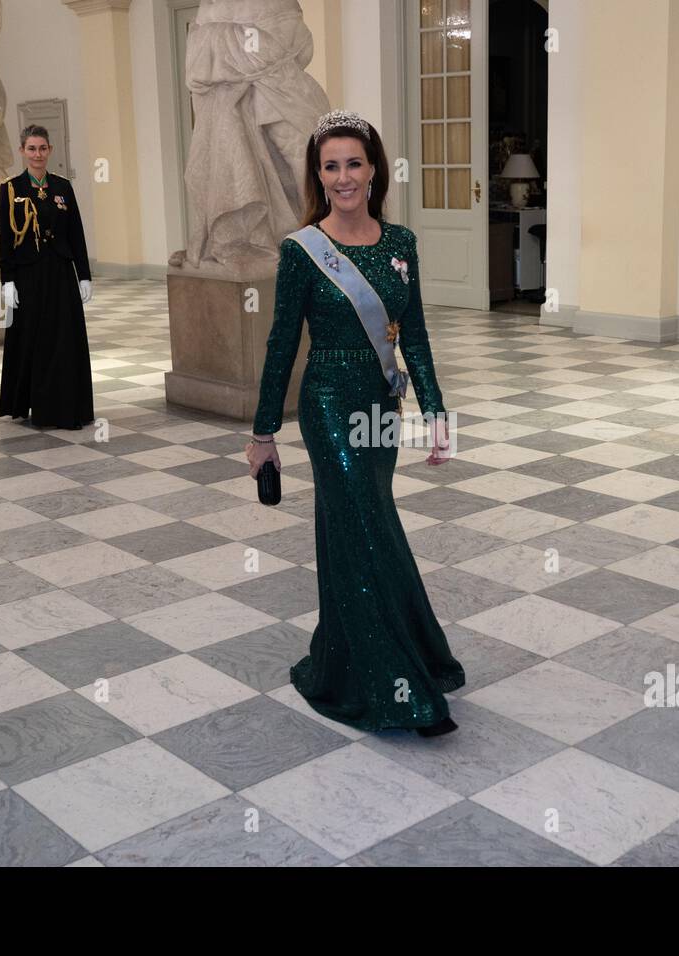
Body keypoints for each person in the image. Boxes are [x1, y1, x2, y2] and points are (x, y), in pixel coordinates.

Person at [246, 109, 464, 737]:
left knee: (362, 526)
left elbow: (414, 334)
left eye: (354, 163)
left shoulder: (401, 244)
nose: (344, 177)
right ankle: (400, 692)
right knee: (364, 523)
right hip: (327, 405)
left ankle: (348, 662)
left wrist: (435, 410)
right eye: (330, 166)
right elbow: (282, 345)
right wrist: (265, 434)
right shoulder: (303, 250)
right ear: (319, 175)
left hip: (381, 405)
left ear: (374, 169)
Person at [0, 124, 94, 429]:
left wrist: (84, 275)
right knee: (33, 340)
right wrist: (7, 280)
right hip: (28, 274)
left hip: (60, 272)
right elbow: (5, 238)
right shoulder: (11, 189)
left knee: (64, 339)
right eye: (31, 148)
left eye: (42, 148)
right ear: (22, 151)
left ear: (50, 150)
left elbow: (76, 232)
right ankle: (33, 404)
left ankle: (66, 405)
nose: (37, 154)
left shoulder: (63, 187)